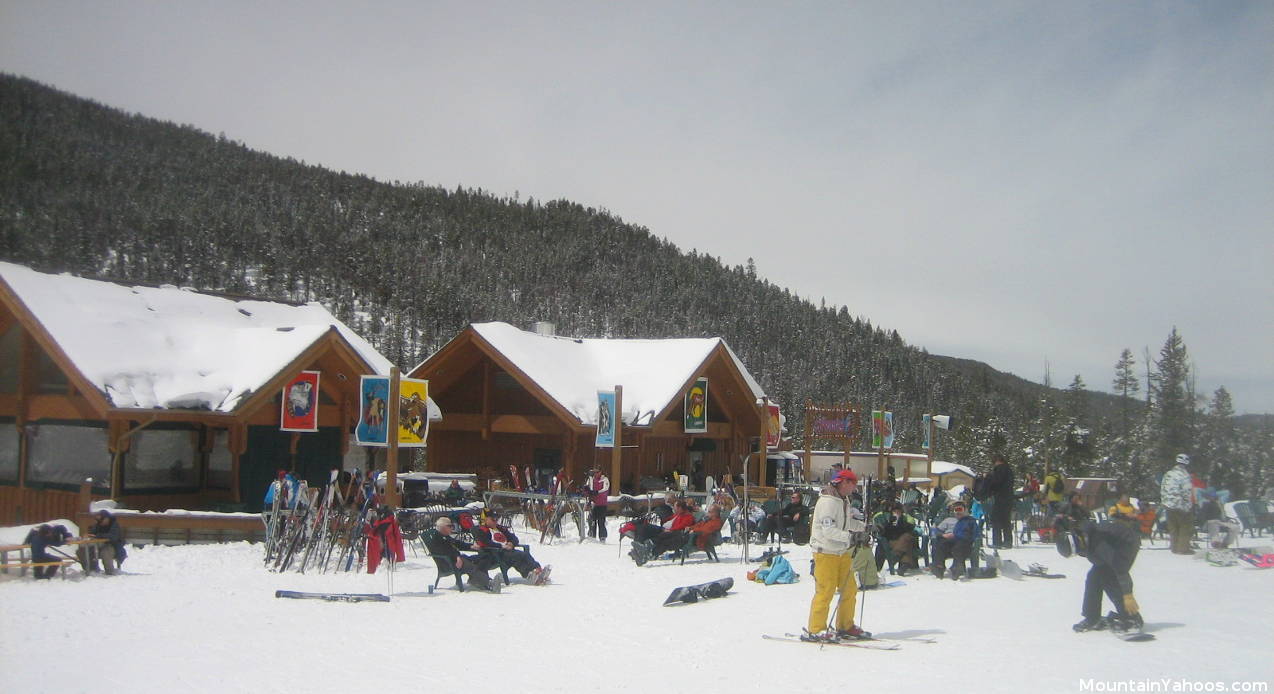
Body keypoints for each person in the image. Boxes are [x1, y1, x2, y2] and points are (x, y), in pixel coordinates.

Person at [803, 468, 869, 642]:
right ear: (844, 482)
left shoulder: (842, 499)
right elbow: (828, 531)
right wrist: (852, 537)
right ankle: (815, 629)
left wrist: (864, 527)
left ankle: (845, 625)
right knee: (826, 590)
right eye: (853, 483)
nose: (854, 488)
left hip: (841, 552)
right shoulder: (828, 502)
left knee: (849, 588)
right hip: (825, 552)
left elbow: (846, 522)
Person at [1060, 516, 1145, 634]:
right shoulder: (1085, 537)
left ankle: (1132, 618)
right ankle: (1092, 617)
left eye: (1078, 551)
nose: (1080, 553)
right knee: (1094, 576)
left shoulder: (1099, 544)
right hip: (1113, 545)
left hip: (1127, 544)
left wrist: (1128, 594)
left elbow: (1120, 568)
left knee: (1108, 577)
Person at [421, 516, 499, 593]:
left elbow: (457, 543)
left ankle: (475, 580)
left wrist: (471, 546)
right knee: (470, 566)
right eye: (450, 526)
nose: (452, 528)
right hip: (448, 563)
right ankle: (488, 582)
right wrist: (457, 557)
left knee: (484, 557)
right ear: (443, 527)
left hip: (457, 559)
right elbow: (444, 551)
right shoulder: (437, 538)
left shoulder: (445, 536)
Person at [474, 513, 549, 585]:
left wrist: (511, 543)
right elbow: (486, 542)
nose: (495, 521)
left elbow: (514, 538)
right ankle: (534, 571)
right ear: (486, 520)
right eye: (493, 519)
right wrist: (501, 546)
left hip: (507, 552)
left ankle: (534, 573)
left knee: (518, 558)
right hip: (495, 554)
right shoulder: (482, 530)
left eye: (496, 519)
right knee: (520, 555)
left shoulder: (499, 528)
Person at [930, 501, 976, 580]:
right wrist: (942, 535)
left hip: (963, 542)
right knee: (940, 543)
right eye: (956, 510)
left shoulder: (969, 521)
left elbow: (975, 533)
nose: (958, 512)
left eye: (960, 509)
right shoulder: (948, 520)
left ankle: (956, 568)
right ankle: (939, 567)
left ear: (964, 510)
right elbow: (936, 530)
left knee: (960, 546)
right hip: (948, 540)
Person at [1159, 454, 1195, 555]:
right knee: (1185, 526)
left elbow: (1163, 488)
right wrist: (1188, 505)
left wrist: (1165, 502)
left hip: (1168, 504)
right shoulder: (1184, 475)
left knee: (1173, 527)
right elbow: (1186, 491)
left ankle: (1174, 547)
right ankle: (1183, 548)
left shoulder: (1168, 473)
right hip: (1180, 504)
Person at [80, 509, 126, 574]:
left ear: (107, 518)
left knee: (106, 553)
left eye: (102, 520)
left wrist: (99, 535)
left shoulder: (114, 525)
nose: (100, 522)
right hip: (98, 545)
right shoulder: (98, 524)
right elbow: (93, 533)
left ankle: (110, 572)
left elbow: (113, 537)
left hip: (113, 546)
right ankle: (91, 570)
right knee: (82, 551)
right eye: (99, 520)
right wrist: (89, 534)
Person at [879, 503, 919, 576]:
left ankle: (897, 557)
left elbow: (910, 528)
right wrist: (890, 523)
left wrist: (900, 522)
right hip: (892, 541)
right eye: (895, 512)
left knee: (907, 537)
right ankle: (904, 563)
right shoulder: (888, 520)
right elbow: (884, 533)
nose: (896, 513)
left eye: (898, 512)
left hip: (902, 541)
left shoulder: (905, 519)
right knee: (907, 544)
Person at [987, 455, 1015, 548]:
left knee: (996, 520)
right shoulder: (1009, 470)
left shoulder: (1000, 469)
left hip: (1000, 497)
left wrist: (988, 479)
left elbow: (996, 482)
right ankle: (1008, 541)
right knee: (1006, 520)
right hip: (1008, 496)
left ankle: (997, 541)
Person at [583, 467, 610, 542]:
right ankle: (592, 536)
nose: (596, 474)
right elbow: (587, 490)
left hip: (602, 504)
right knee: (592, 521)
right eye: (594, 472)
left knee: (601, 521)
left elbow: (605, 490)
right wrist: (586, 490)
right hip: (593, 503)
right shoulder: (591, 479)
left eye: (597, 472)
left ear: (601, 472)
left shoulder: (605, 480)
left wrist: (596, 492)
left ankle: (602, 537)